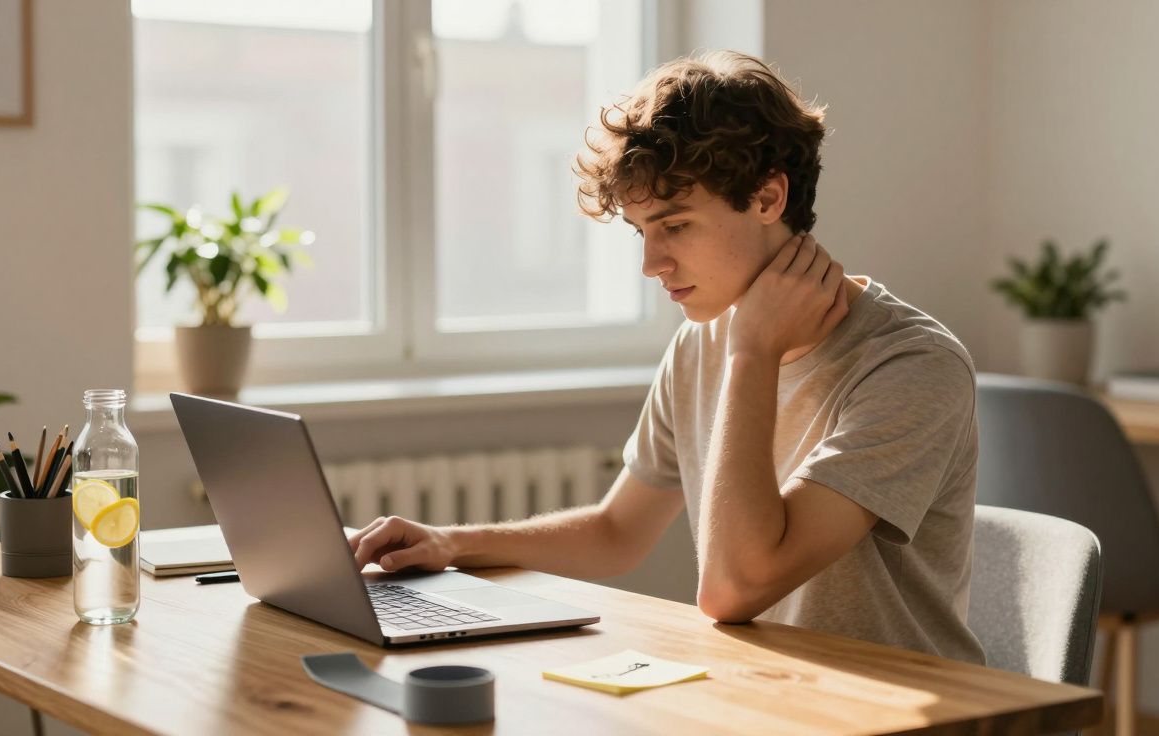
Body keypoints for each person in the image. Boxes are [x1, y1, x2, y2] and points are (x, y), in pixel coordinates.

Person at [349, 50, 984, 664]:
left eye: (675, 226)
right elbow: (617, 531)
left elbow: (734, 589)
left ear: (767, 199)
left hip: (901, 711)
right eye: (641, 232)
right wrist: (450, 542)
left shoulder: (912, 365)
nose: (652, 265)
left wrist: (754, 352)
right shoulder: (704, 341)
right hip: (763, 695)